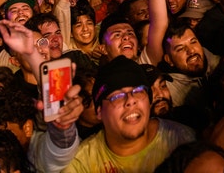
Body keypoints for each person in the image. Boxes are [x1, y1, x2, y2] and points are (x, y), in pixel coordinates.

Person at [63, 56, 195, 172]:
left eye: (138, 91)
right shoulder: (81, 163)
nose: (131, 100)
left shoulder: (182, 141)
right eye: (117, 96)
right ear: (100, 112)